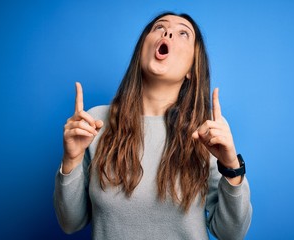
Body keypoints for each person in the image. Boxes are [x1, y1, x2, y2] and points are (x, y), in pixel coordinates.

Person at [54, 12, 252, 240]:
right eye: (159, 27)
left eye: (183, 33)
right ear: (142, 50)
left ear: (191, 69)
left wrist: (231, 166)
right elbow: (70, 222)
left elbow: (231, 233)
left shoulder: (205, 132)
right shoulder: (95, 122)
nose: (167, 32)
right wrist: (71, 160)